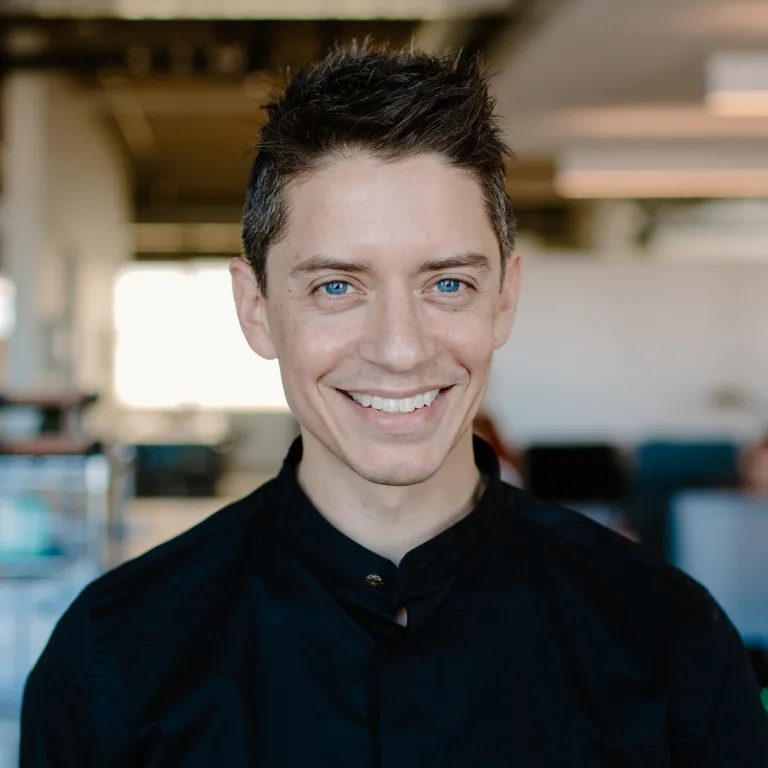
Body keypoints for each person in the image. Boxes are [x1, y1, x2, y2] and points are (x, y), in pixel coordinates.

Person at [21, 42, 768, 766]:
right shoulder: (114, 659)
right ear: (255, 310)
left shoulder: (672, 643)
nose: (401, 349)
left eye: (447, 284)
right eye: (336, 287)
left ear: (504, 297)